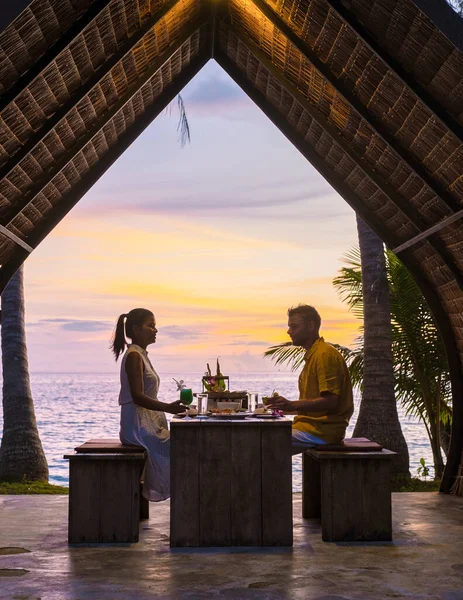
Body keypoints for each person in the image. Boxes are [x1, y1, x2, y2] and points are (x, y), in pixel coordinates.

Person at [110, 308, 186, 502]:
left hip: (146, 421)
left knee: (182, 446)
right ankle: (182, 498)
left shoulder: (141, 354)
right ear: (136, 329)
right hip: (137, 425)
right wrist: (167, 408)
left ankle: (180, 495)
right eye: (150, 326)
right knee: (181, 449)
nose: (155, 330)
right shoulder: (134, 356)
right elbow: (137, 396)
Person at [269, 304, 354, 455]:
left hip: (322, 432)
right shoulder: (314, 355)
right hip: (310, 428)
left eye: (294, 327)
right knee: (261, 438)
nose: (289, 331)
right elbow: (314, 405)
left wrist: (291, 404)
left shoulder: (324, 355)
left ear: (310, 326)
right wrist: (285, 407)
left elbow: (332, 402)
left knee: (263, 441)